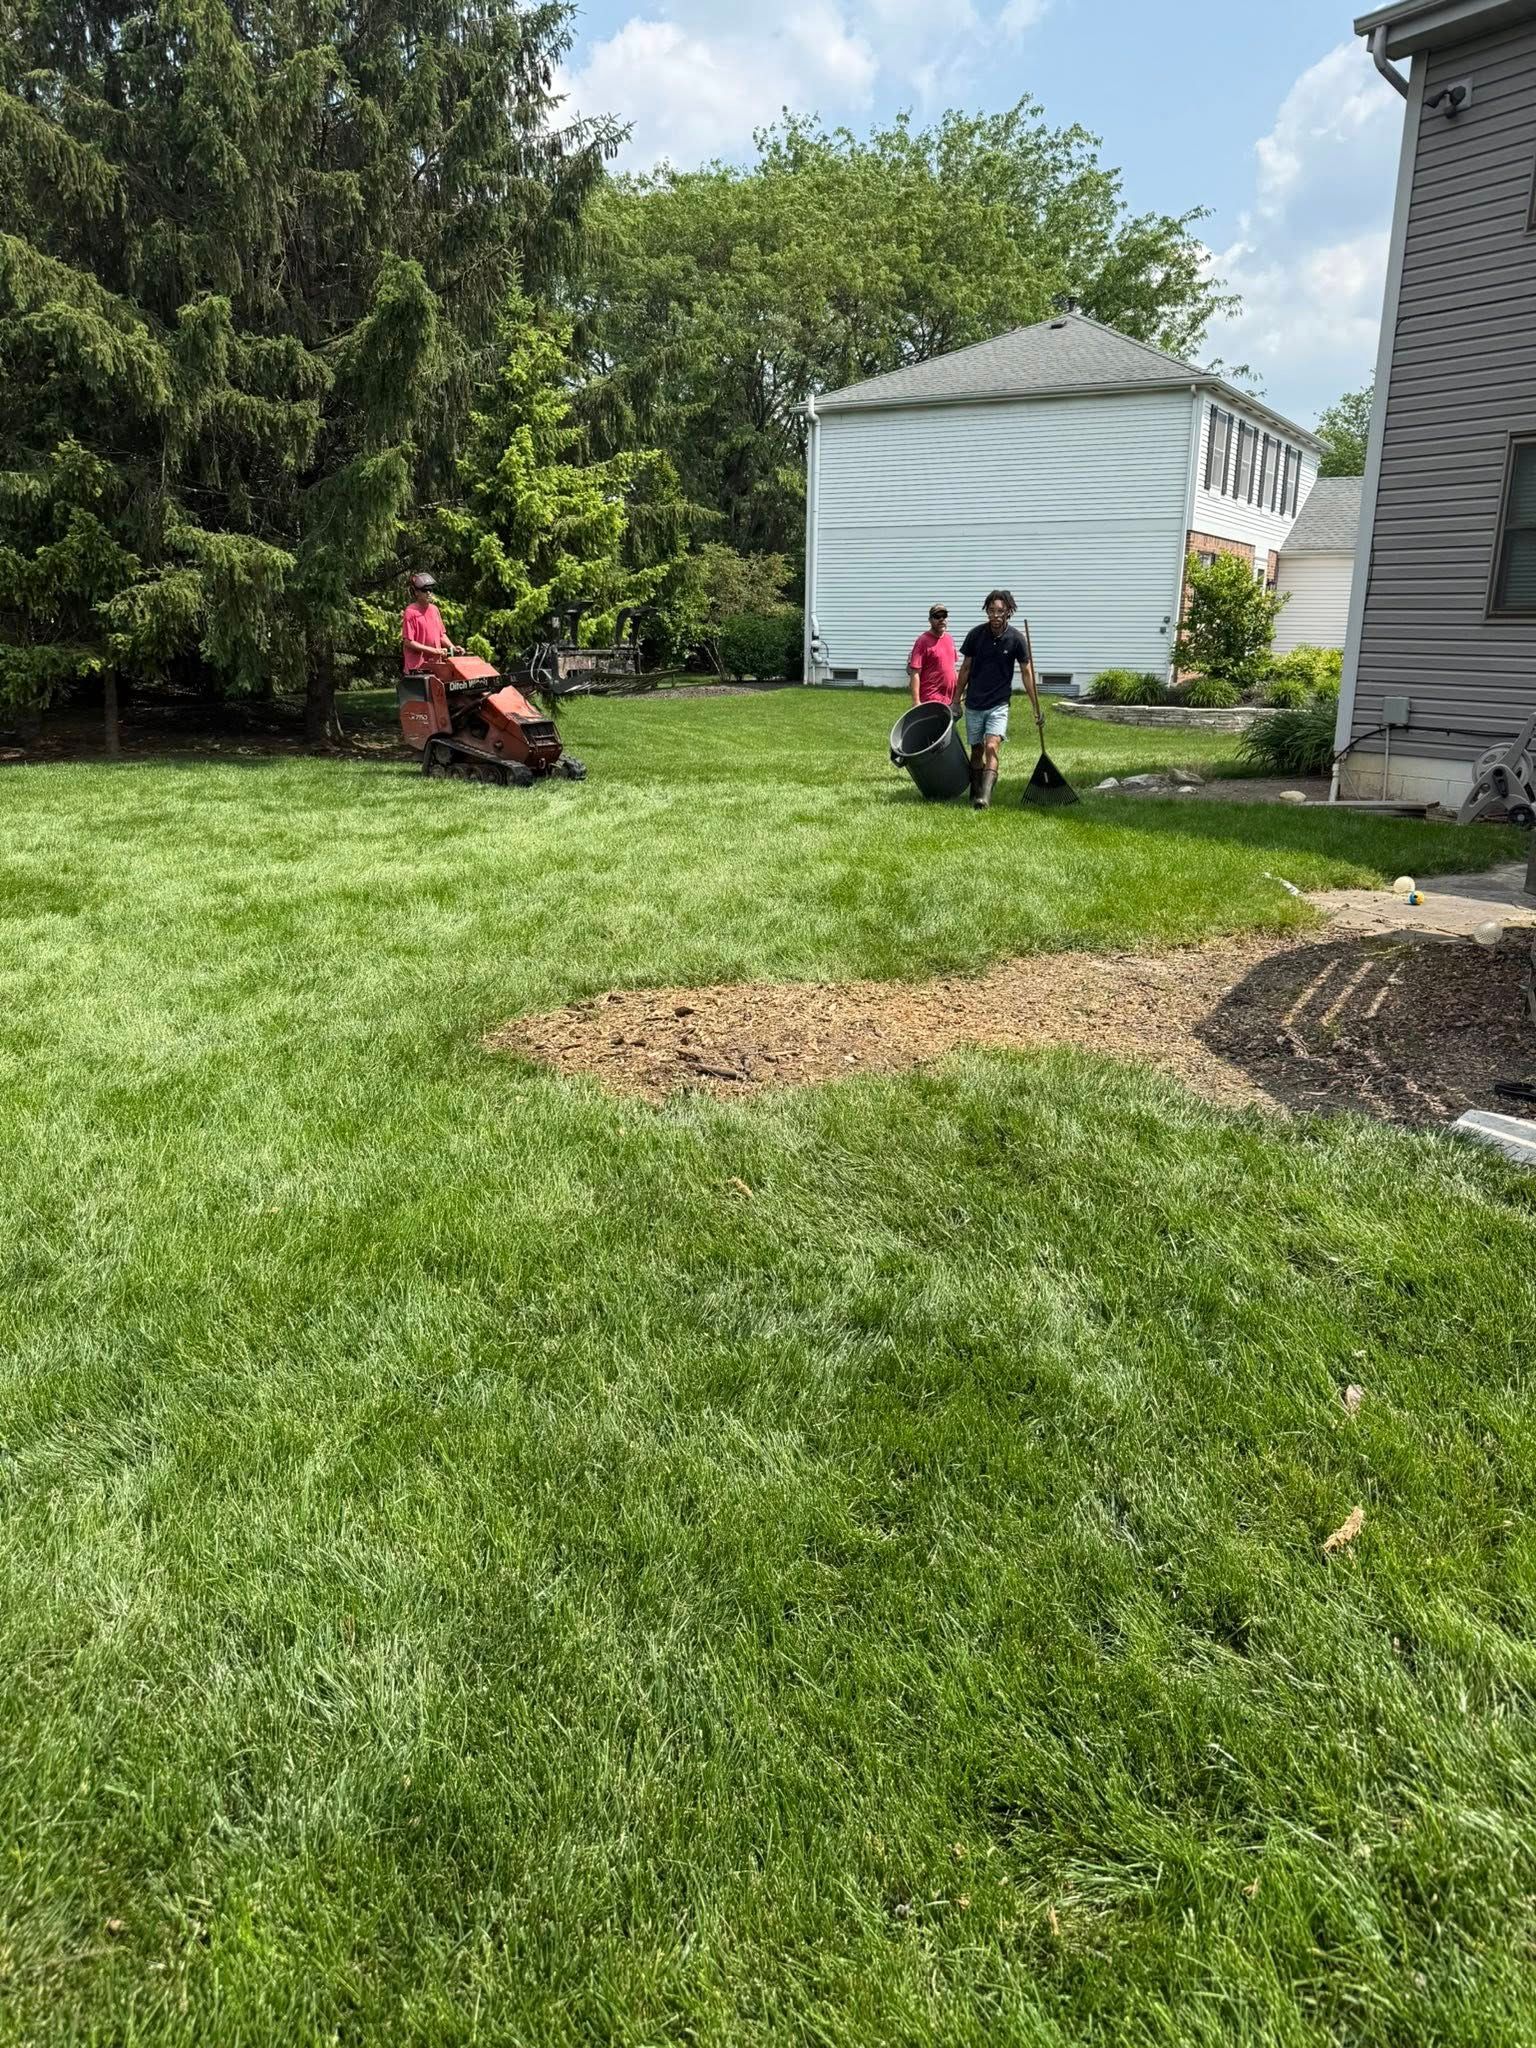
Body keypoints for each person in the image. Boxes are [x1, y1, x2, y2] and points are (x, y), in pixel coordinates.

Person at [955, 589, 1033, 810]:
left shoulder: (1017, 639)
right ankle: (976, 790)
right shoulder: (975, 635)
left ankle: (985, 798)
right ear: (986, 612)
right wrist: (955, 699)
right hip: (974, 703)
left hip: (999, 704)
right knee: (977, 750)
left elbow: (1027, 673)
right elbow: (965, 669)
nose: (995, 615)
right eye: (991, 611)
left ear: (1009, 612)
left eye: (1000, 611)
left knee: (991, 747)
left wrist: (1035, 705)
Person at [401, 571, 463, 673]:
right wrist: (434, 651)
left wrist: (452, 647)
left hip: (435, 665)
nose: (429, 593)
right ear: (416, 592)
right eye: (425, 590)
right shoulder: (410, 612)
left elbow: (441, 635)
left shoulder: (434, 610)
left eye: (430, 589)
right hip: (416, 667)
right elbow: (408, 642)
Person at [906, 604, 958, 708]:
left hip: (949, 699)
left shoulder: (949, 639)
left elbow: (953, 669)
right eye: (937, 616)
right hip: (930, 699)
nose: (941, 619)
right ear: (930, 620)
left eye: (944, 616)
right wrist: (916, 702)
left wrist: (957, 696)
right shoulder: (922, 641)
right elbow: (915, 672)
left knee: (949, 725)